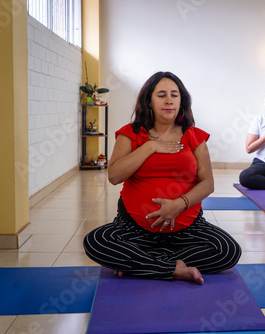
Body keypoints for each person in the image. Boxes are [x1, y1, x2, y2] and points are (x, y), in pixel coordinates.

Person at [83, 72, 241, 284]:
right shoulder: (130, 133)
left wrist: (178, 204)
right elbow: (114, 176)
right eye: (161, 94)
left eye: (174, 95)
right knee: (96, 241)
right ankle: (174, 269)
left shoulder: (194, 135)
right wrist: (150, 146)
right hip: (133, 229)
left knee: (228, 251)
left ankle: (142, 264)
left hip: (187, 230)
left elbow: (207, 183)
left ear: (181, 101)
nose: (169, 100)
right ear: (149, 100)